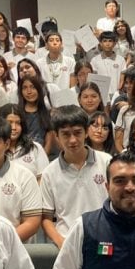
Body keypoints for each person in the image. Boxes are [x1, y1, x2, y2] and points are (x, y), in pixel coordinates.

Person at [41, 106, 112, 248]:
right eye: (66, 134)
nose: (72, 140)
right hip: (67, 242)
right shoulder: (49, 173)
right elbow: (46, 219)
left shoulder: (106, 162)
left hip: (104, 240)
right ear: (56, 136)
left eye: (77, 133)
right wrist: (61, 242)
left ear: (86, 132)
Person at [0, 116, 43, 242]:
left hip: (14, 248)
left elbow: (32, 222)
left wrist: (0, 243)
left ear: (6, 144)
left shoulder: (24, 176)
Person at [0, 104, 50, 180]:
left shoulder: (35, 148)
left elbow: (42, 179)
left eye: (18, 123)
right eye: (9, 123)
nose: (14, 128)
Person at [17, 75, 56, 155]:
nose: (29, 91)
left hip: (42, 155)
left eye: (33, 87)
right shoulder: (17, 113)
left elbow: (49, 139)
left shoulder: (48, 113)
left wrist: (42, 158)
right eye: (25, 88)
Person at [90, 31, 127, 99]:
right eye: (105, 41)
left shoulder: (121, 60)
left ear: (114, 43)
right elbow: (93, 80)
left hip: (117, 95)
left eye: (110, 41)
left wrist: (117, 93)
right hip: (100, 96)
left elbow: (122, 80)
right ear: (100, 43)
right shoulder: (94, 60)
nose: (107, 44)